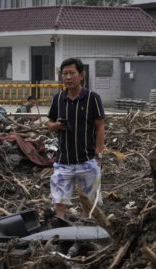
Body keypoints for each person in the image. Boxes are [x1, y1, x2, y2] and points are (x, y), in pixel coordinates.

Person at [46, 58, 106, 220]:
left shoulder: (93, 98)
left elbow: (100, 127)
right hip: (63, 161)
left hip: (87, 160)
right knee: (59, 201)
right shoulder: (58, 99)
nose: (68, 77)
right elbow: (49, 122)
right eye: (64, 73)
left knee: (88, 202)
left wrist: (98, 154)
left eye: (72, 73)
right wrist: (55, 126)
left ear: (81, 75)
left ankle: (83, 231)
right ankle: (61, 230)